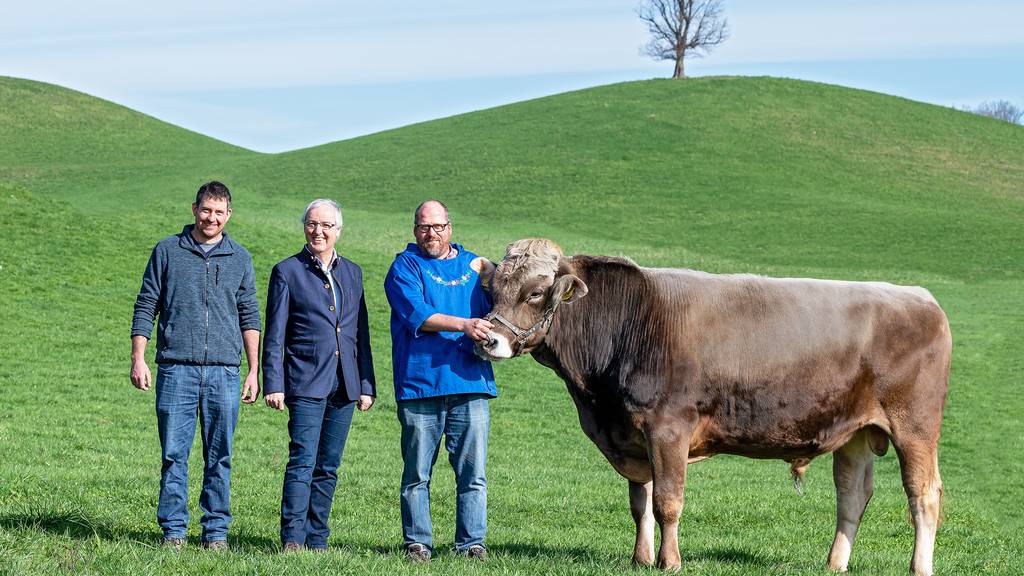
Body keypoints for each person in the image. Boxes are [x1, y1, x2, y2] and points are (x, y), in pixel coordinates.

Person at [130, 181, 261, 551]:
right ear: (194, 209)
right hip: (176, 370)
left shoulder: (240, 258)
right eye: (206, 210)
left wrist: (253, 370)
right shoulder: (167, 250)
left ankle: (215, 532)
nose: (212, 218)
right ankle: (173, 531)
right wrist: (138, 358)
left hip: (224, 371)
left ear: (229, 215)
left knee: (220, 455)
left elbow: (249, 315)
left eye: (219, 212)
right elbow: (145, 305)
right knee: (174, 454)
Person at [384, 199, 497, 562]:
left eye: (437, 227)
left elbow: (503, 302)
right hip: (421, 383)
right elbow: (419, 314)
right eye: (423, 227)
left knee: (472, 473)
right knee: (417, 472)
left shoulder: (476, 265)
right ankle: (418, 542)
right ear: (414, 229)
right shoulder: (405, 266)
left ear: (450, 227)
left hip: (470, 381)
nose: (430, 234)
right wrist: (465, 324)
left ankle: (471, 544)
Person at [262, 199, 376, 553]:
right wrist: (274, 383)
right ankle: (293, 538)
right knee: (302, 460)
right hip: (305, 380)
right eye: (312, 224)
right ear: (304, 227)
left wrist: (366, 384)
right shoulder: (287, 271)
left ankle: (317, 538)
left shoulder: (353, 272)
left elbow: (361, 332)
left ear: (338, 230)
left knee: (328, 465)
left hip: (345, 384)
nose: (319, 231)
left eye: (326, 225)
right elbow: (275, 332)